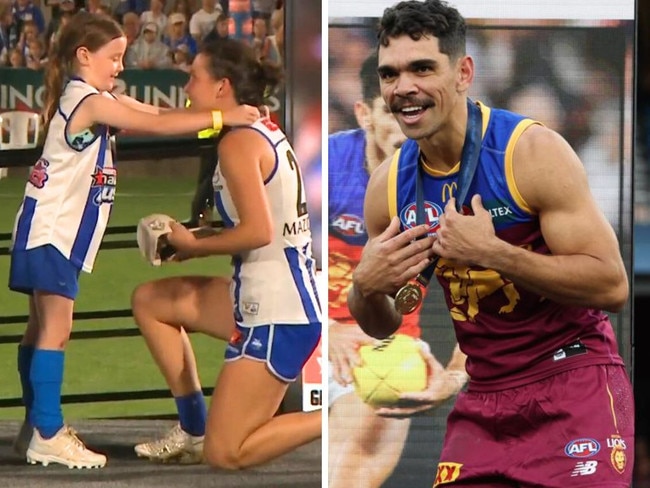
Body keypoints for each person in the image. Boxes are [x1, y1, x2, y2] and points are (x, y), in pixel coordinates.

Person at [347, 1, 635, 487]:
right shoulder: (388, 187)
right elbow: (384, 322)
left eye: (422, 68)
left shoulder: (530, 152)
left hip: (575, 383)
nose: (404, 88)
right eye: (390, 74)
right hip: (484, 399)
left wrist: (494, 252)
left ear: (463, 73)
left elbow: (612, 286)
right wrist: (364, 288)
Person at [8, 10, 259, 470]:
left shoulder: (93, 97)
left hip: (45, 230)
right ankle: (47, 432)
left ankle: (36, 423)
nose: (120, 67)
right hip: (51, 232)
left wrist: (215, 123)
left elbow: (161, 113)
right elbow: (158, 126)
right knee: (55, 331)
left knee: (39, 329)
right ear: (84, 56)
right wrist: (226, 115)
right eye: (114, 57)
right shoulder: (87, 99)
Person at [129, 37, 322, 470]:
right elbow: (259, 223)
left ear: (222, 88)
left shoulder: (237, 144)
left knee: (227, 454)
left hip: (277, 314)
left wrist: (195, 245)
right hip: (260, 297)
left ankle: (334, 418)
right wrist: (194, 238)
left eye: (194, 78)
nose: (187, 88)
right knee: (152, 301)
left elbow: (257, 230)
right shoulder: (258, 130)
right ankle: (192, 428)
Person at [328, 51, 467, 488]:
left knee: (348, 477)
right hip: (311, 334)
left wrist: (456, 372)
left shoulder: (455, 189)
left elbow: (484, 295)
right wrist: (323, 330)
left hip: (387, 350)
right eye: (393, 110)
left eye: (417, 111)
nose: (406, 124)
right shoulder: (324, 166)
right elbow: (279, 260)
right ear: (365, 114)